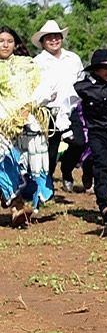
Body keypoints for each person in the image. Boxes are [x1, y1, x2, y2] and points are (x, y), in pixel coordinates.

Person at [0, 26, 53, 226]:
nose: (5, 45)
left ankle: (26, 202)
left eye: (9, 41)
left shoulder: (29, 64)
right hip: (3, 124)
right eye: (1, 41)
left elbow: (44, 88)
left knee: (35, 166)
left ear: (15, 44)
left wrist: (29, 107)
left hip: (30, 120)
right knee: (3, 163)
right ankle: (17, 206)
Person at [73, 49, 107, 224]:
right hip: (96, 133)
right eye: (105, 68)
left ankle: (88, 164)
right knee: (102, 168)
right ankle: (105, 205)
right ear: (95, 69)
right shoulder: (82, 88)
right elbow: (69, 106)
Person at [31, 20, 83, 190]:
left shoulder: (73, 58)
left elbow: (81, 81)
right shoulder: (37, 62)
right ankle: (47, 186)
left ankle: (67, 170)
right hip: (49, 111)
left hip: (72, 108)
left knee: (79, 143)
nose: (54, 40)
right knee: (50, 151)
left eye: (56, 37)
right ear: (43, 42)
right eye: (49, 38)